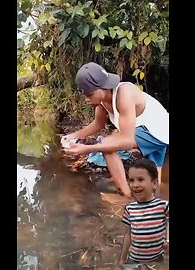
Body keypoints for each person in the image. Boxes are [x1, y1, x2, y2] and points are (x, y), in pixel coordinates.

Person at [62, 62, 169, 197]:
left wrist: (87, 149)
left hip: (158, 132)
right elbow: (97, 124)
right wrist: (73, 136)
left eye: (89, 94)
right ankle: (155, 202)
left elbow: (128, 141)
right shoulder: (101, 101)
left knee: (107, 145)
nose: (87, 99)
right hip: (156, 128)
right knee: (154, 180)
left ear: (102, 87)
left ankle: (125, 194)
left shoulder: (124, 94)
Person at [119, 159, 169, 265]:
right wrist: (122, 259)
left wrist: (168, 240)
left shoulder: (163, 206)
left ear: (154, 184)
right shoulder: (130, 208)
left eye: (140, 179)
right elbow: (128, 235)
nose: (135, 185)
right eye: (131, 180)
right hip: (134, 259)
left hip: (157, 258)